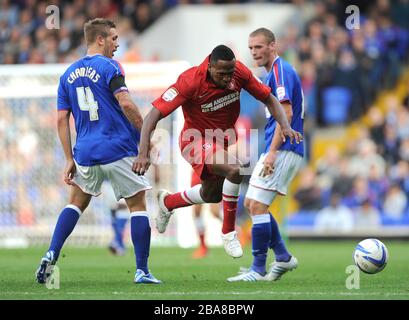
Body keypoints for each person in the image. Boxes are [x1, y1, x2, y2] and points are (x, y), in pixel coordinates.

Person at [133, 44, 302, 259]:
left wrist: (285, 126)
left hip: (220, 142)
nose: (228, 79)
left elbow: (269, 99)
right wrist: (143, 152)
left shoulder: (238, 72)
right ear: (210, 67)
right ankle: (229, 232)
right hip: (193, 142)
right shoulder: (190, 80)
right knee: (235, 170)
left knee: (210, 195)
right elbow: (152, 116)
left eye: (230, 73)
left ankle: (168, 202)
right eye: (222, 74)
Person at [35, 18, 161, 285]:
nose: (118, 43)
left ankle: (51, 253)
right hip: (118, 148)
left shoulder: (67, 74)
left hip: (85, 153)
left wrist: (69, 158)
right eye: (114, 38)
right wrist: (145, 139)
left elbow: (61, 120)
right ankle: (142, 271)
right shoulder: (110, 66)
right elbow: (126, 103)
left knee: (75, 203)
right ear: (100, 39)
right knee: (137, 206)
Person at [227, 28, 304, 282]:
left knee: (258, 205)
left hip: (282, 148)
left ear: (273, 46)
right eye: (251, 48)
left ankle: (258, 269)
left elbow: (288, 114)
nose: (254, 52)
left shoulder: (281, 71)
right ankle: (282, 257)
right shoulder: (273, 73)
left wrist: (271, 152)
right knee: (251, 203)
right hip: (278, 147)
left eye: (258, 47)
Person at [190, 170, 222, 259]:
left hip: (212, 170)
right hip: (197, 171)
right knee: (196, 211)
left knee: (215, 212)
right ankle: (203, 246)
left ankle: (235, 231)